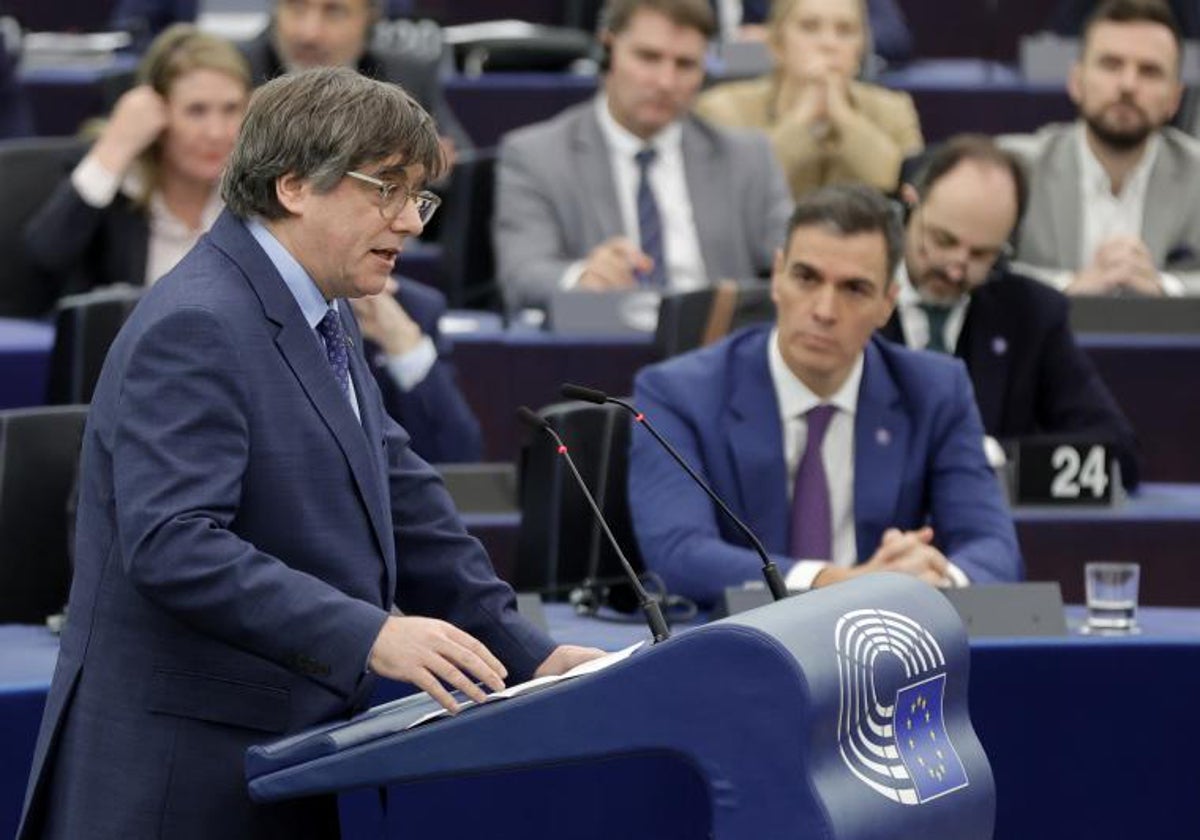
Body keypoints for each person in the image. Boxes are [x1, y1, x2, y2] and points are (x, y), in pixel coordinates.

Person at [18, 67, 600, 840]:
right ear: (294, 185)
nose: (412, 221)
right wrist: (370, 633)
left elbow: (397, 488)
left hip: (279, 756)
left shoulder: (319, 305)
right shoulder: (198, 322)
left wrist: (534, 653)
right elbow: (173, 543)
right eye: (386, 189)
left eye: (419, 196)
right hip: (176, 785)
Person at [628, 184, 1021, 608]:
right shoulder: (677, 393)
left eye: (854, 289)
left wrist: (931, 578)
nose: (824, 311)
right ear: (777, 276)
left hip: (883, 659)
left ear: (888, 302)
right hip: (743, 653)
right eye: (806, 277)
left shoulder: (936, 391)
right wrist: (842, 584)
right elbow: (678, 554)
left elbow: (994, 549)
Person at [493, 0, 792, 311]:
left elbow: (792, 265)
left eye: (685, 64)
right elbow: (523, 275)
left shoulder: (748, 158)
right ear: (608, 50)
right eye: (649, 58)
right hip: (606, 344)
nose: (665, 82)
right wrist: (583, 276)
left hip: (715, 345)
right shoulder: (537, 155)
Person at [879, 134, 1142, 488]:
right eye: (943, 240)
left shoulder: (1030, 314)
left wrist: (995, 460)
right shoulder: (851, 290)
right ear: (910, 203)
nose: (956, 268)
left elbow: (1116, 453)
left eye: (981, 254)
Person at [24, 25, 250, 299]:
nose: (216, 132)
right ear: (156, 111)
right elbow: (42, 261)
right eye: (196, 111)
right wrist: (114, 148)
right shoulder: (116, 184)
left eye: (231, 109)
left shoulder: (257, 191)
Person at [1001, 0, 1200, 296]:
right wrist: (1070, 287)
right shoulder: (1013, 168)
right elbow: (983, 271)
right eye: (1111, 65)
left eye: (1149, 71)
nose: (1128, 84)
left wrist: (1164, 289)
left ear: (1174, 98)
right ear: (1076, 81)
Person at [695, 0, 923, 200]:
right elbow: (734, 191)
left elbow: (909, 187)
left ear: (861, 46)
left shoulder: (893, 109)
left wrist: (845, 119)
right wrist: (802, 118)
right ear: (777, 44)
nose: (828, 44)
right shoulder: (724, 109)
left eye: (845, 31)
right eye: (809, 27)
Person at [238, 0, 469, 159]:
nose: (309, 33)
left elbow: (458, 159)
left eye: (334, 12)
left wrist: (433, 164)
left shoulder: (405, 77)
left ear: (369, 19)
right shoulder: (233, 73)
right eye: (297, 7)